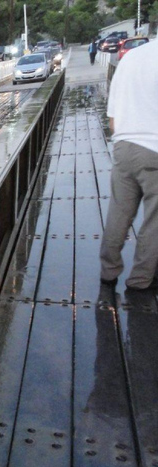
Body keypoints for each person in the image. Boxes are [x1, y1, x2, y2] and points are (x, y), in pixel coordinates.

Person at [100, 38, 158, 290]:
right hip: (154, 148)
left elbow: (112, 118)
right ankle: (141, 279)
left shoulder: (131, 58)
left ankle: (108, 271)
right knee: (154, 220)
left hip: (122, 146)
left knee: (119, 212)